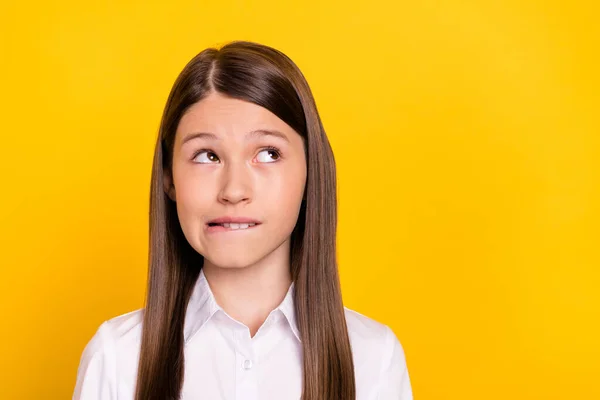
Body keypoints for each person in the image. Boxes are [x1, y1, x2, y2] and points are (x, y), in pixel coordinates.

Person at [72, 40, 413, 400]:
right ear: (169, 178)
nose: (234, 190)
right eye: (206, 156)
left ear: (311, 171)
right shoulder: (116, 359)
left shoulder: (374, 359)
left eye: (268, 153)